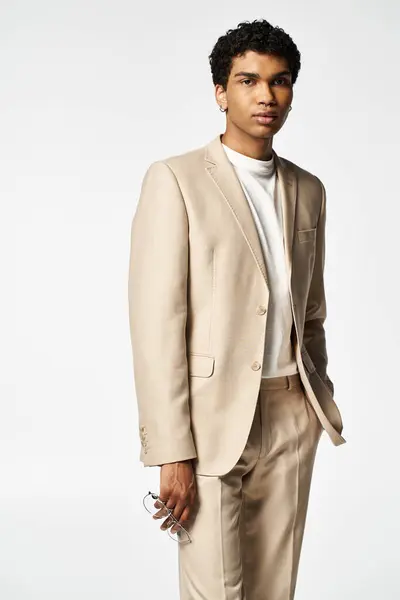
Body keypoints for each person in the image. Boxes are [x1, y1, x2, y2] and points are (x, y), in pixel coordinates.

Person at [128, 17, 346, 600]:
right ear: (221, 92)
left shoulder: (309, 189)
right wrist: (171, 451)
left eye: (279, 81)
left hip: (289, 413)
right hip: (209, 421)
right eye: (248, 80)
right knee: (216, 592)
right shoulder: (174, 180)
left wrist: (312, 399)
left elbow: (313, 310)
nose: (266, 95)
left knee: (276, 589)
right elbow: (157, 326)